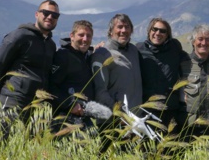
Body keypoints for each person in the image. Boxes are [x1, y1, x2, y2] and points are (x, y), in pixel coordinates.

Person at [0, 0, 60, 142]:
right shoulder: (19, 36)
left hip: (37, 107)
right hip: (13, 101)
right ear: (37, 14)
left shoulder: (51, 45)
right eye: (46, 13)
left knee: (27, 149)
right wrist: (1, 96)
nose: (50, 17)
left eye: (55, 15)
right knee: (3, 144)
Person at [91, 14, 143, 152]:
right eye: (119, 27)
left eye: (127, 27)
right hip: (112, 123)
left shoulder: (133, 50)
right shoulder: (102, 53)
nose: (123, 30)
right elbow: (100, 91)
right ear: (111, 31)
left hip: (134, 123)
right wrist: (120, 115)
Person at [136, 18, 188, 135]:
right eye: (155, 29)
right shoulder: (138, 50)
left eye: (162, 31)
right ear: (149, 31)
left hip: (170, 110)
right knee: (147, 149)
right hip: (147, 111)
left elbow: (193, 58)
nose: (158, 33)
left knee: (169, 150)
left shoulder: (174, 48)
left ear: (167, 35)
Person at [49, 20, 96, 140]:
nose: (85, 39)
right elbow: (50, 86)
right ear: (72, 36)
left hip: (83, 118)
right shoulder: (63, 56)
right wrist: (70, 104)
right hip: (65, 120)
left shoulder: (86, 57)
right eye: (81, 35)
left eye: (88, 36)